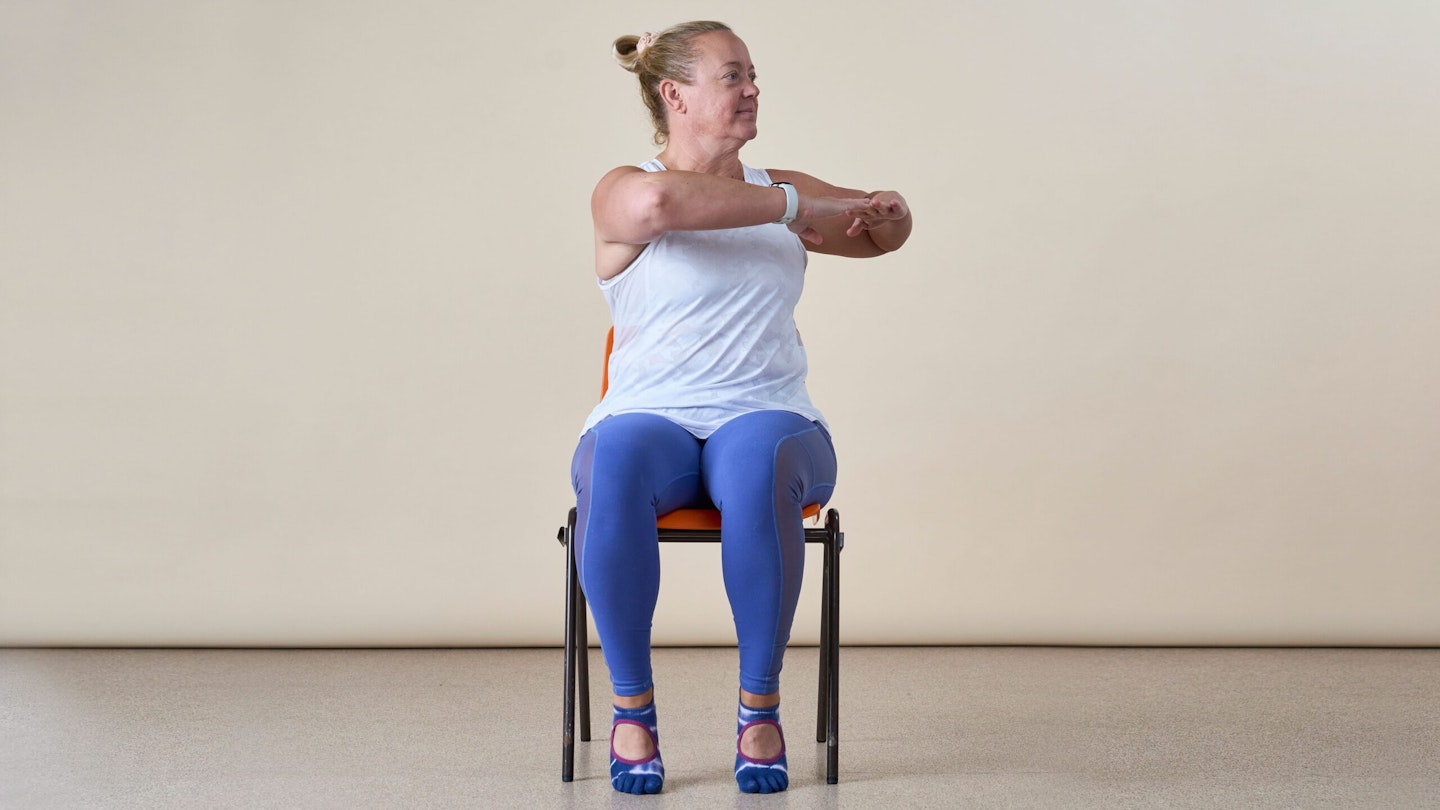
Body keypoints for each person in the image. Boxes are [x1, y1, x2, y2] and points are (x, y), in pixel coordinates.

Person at [570, 20, 912, 795]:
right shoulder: (624, 185)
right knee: (615, 460)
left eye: (753, 75)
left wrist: (886, 213)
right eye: (733, 76)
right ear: (675, 95)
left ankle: (760, 707)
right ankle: (632, 709)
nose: (753, 88)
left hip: (768, 412)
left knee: (756, 463)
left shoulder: (775, 186)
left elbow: (878, 234)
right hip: (649, 418)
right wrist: (794, 203)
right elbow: (659, 204)